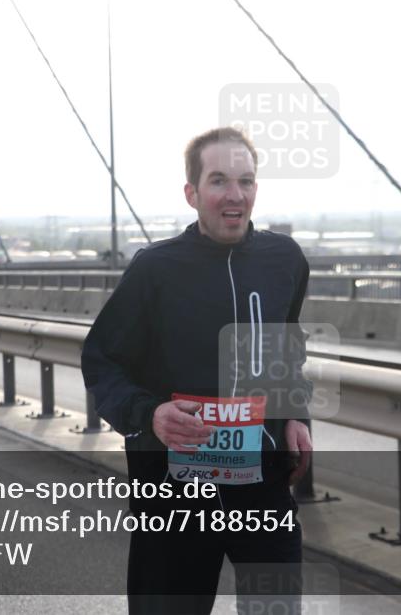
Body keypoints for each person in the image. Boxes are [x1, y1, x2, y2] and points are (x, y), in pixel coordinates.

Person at [81, 127, 314, 614]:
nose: (235, 195)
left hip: (263, 491)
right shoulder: (154, 270)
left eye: (246, 181)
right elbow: (102, 361)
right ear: (192, 193)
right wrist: (150, 416)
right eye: (219, 181)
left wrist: (296, 415)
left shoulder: (285, 260)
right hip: (174, 497)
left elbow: (286, 354)